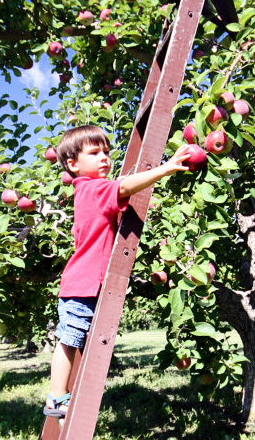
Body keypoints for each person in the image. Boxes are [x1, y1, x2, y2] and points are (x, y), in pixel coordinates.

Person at [45, 125, 195, 419]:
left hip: (86, 284)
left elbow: (121, 191)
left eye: (107, 152)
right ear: (73, 165)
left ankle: (60, 395)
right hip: (83, 285)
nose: (104, 158)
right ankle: (56, 396)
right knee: (69, 338)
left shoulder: (91, 190)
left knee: (76, 339)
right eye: (94, 153)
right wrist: (165, 169)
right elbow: (124, 187)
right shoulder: (91, 189)